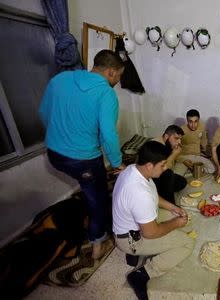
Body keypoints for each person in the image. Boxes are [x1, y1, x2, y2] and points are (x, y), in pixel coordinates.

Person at [39, 49, 126, 260]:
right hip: (83, 160)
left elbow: (43, 113)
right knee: (97, 198)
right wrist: (117, 163)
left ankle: (83, 202)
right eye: (119, 76)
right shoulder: (106, 93)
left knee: (87, 185)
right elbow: (108, 134)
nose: (117, 81)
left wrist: (62, 138)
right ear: (112, 72)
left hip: (54, 155)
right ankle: (97, 244)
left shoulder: (60, 79)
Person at [112, 141, 194, 300]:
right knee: (186, 242)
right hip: (130, 239)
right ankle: (142, 274)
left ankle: (138, 255)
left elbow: (153, 195)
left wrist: (172, 207)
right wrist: (175, 224)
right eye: (162, 165)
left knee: (180, 217)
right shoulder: (139, 193)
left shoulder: (134, 169)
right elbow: (150, 233)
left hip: (131, 225)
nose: (165, 168)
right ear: (150, 165)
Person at [173, 109, 215, 176]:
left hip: (197, 156)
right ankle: (190, 170)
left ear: (199, 120)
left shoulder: (202, 127)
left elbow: (204, 144)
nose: (193, 125)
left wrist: (209, 155)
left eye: (196, 121)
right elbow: (174, 151)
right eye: (190, 122)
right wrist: (183, 160)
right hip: (184, 157)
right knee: (176, 175)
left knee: (212, 168)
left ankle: (193, 169)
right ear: (187, 121)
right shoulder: (181, 130)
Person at [152, 125, 187, 203]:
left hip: (159, 175)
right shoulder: (156, 145)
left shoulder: (167, 143)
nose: (179, 142)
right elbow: (161, 169)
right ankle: (170, 203)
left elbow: (168, 160)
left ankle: (160, 193)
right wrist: (174, 155)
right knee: (168, 174)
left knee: (182, 182)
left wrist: (182, 159)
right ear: (166, 136)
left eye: (180, 139)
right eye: (176, 138)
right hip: (150, 179)